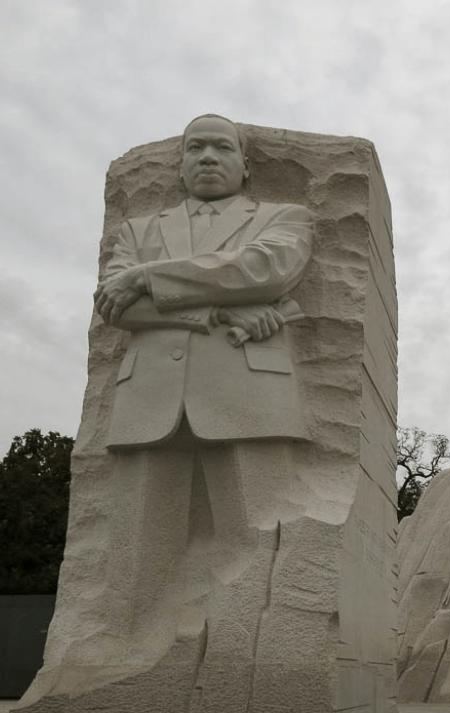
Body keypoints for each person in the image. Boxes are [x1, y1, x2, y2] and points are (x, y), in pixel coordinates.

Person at [92, 114, 314, 631]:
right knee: (135, 564)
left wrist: (147, 276)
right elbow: (116, 308)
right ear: (181, 165)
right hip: (148, 399)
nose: (207, 157)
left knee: (260, 548)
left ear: (246, 165)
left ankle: (252, 655)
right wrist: (213, 313)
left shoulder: (286, 217)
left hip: (250, 395)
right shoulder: (138, 229)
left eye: (221, 148)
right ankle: (125, 653)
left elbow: (265, 270)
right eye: (195, 148)